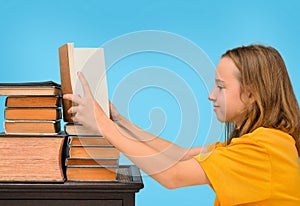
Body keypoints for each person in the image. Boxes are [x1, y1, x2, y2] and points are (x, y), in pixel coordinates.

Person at [63, 44, 300, 205]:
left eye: (221, 86)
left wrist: (103, 125)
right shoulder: (257, 144)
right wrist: (122, 122)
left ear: (251, 95)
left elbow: (173, 175)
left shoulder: (263, 151)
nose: (211, 95)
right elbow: (179, 156)